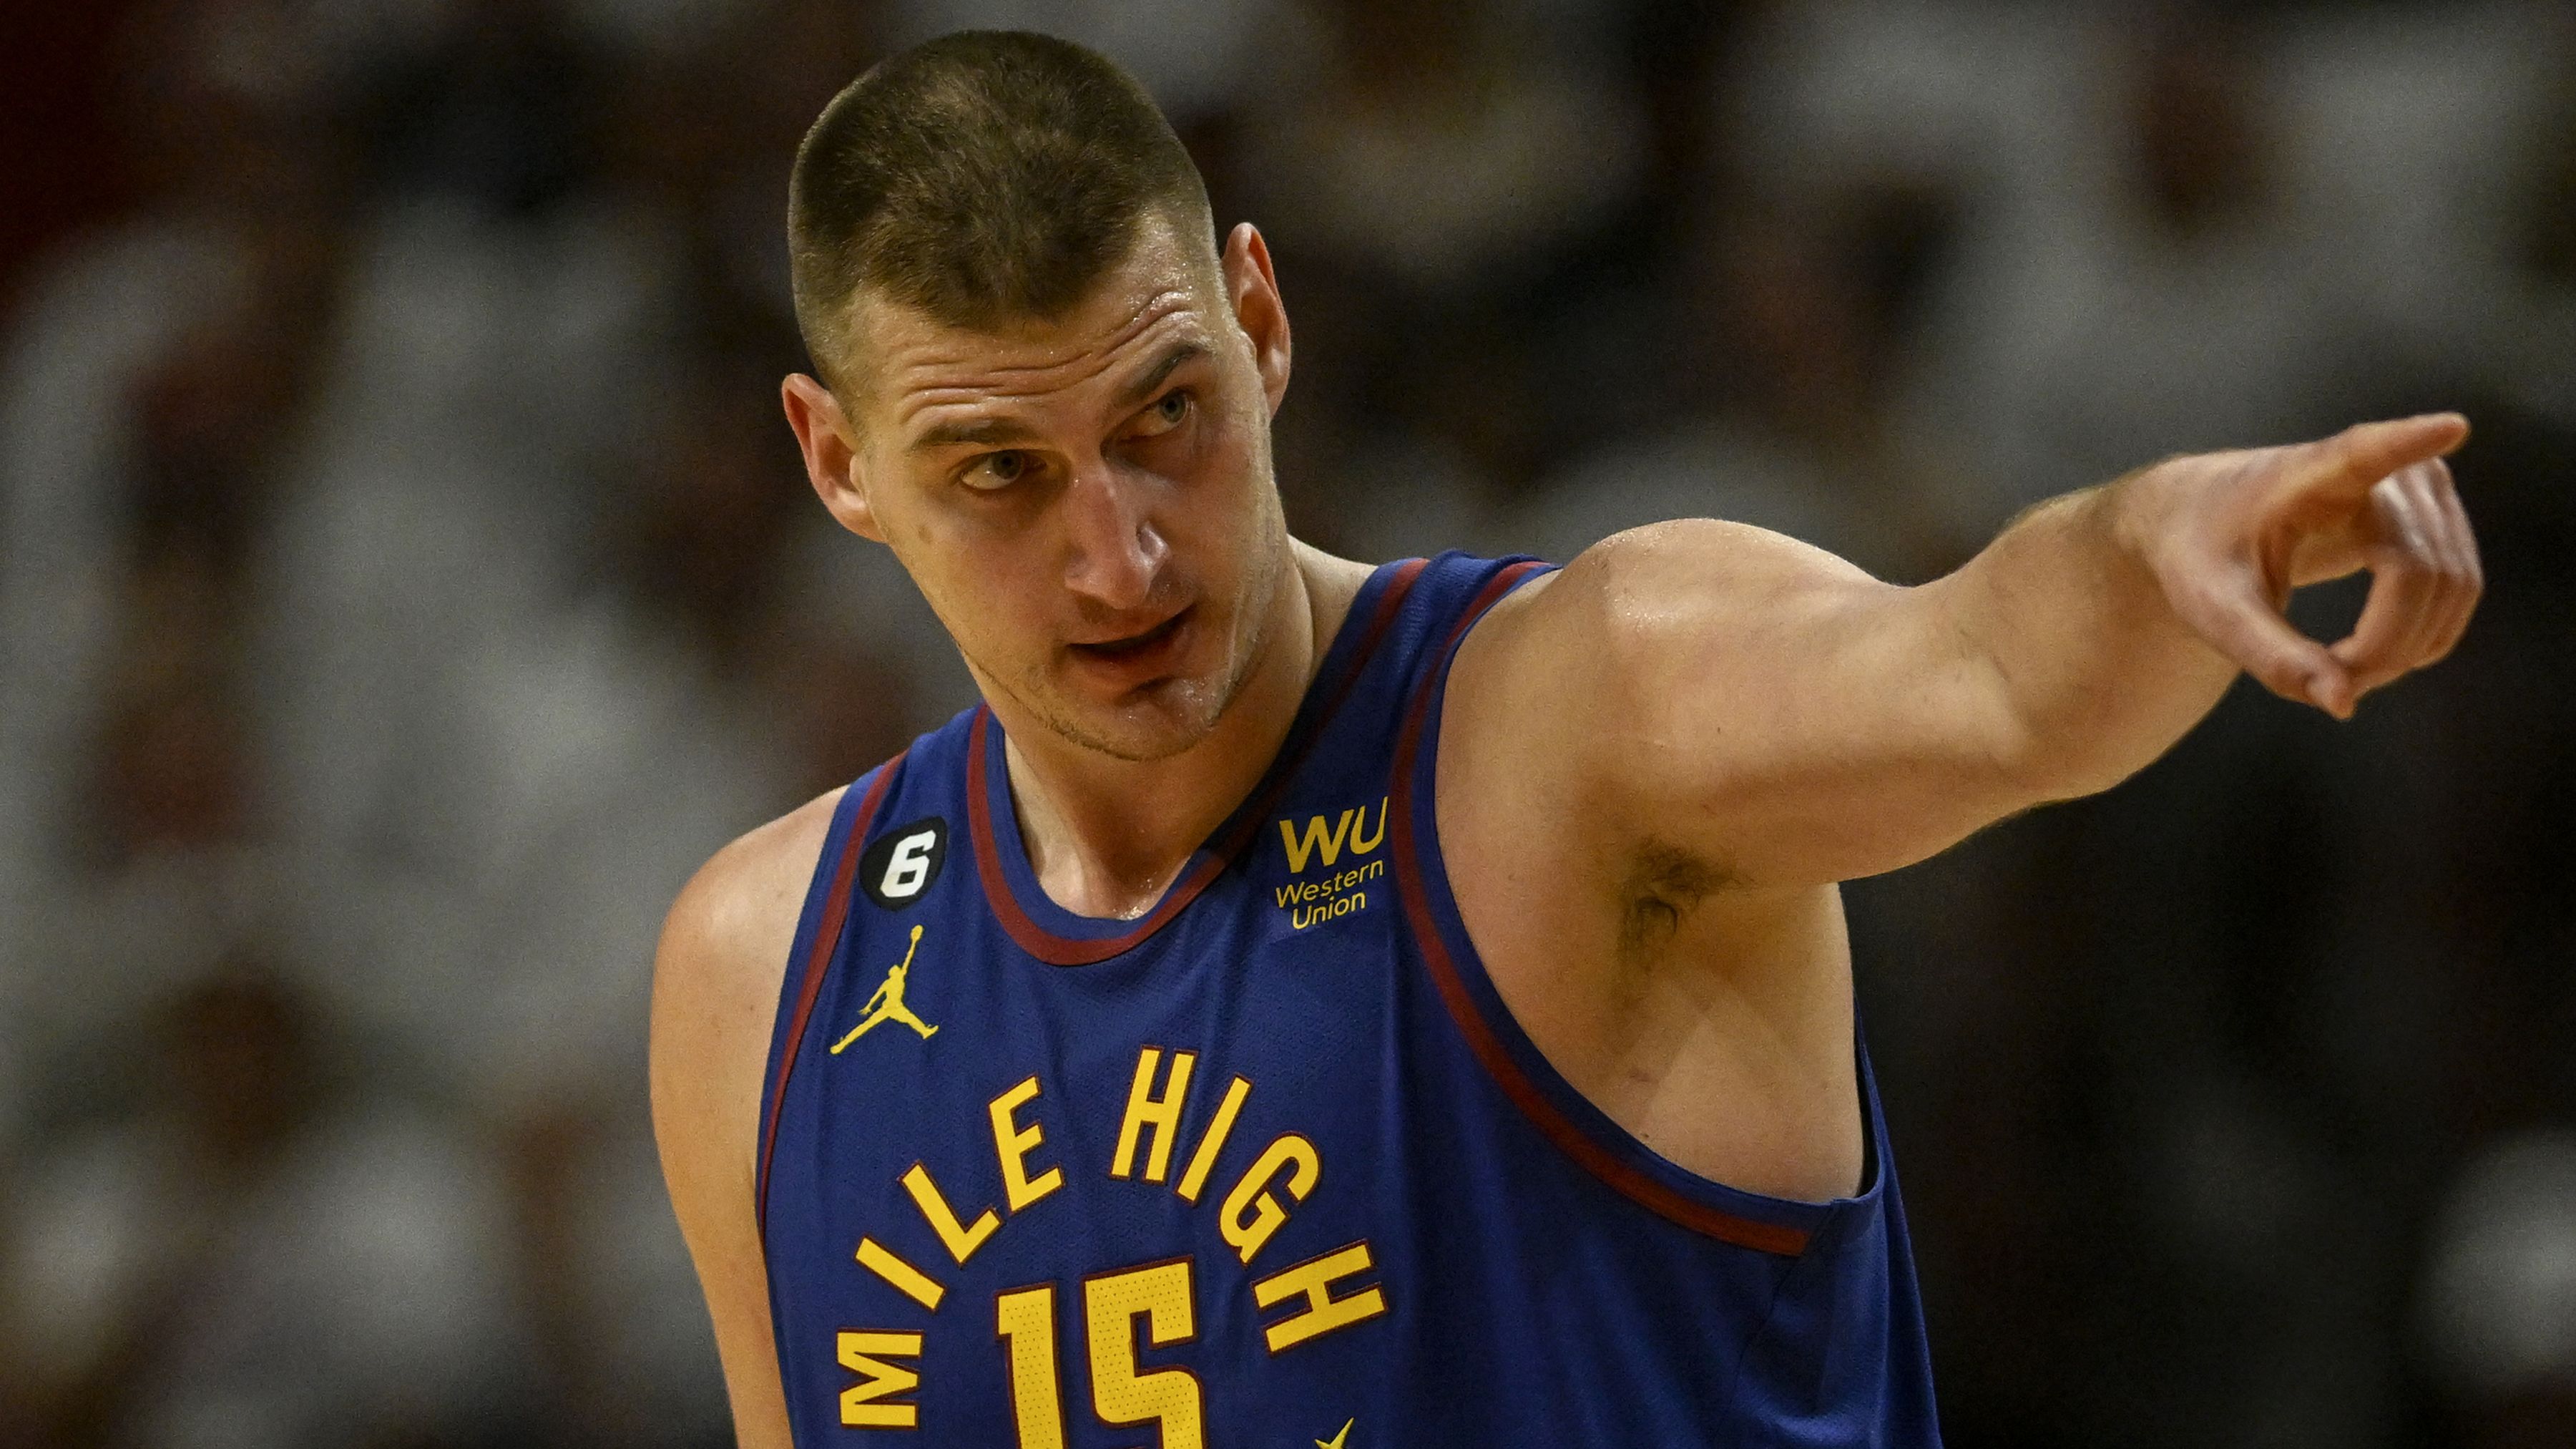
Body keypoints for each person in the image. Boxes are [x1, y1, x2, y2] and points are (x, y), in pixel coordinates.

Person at [648, 31, 2482, 1448]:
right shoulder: (763, 970)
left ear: (1262, 321)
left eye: (1166, 413)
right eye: (1000, 475)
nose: (1118, 547)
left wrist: (2157, 534)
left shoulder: (1578, 706)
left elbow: (1980, 672)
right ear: (837, 464)